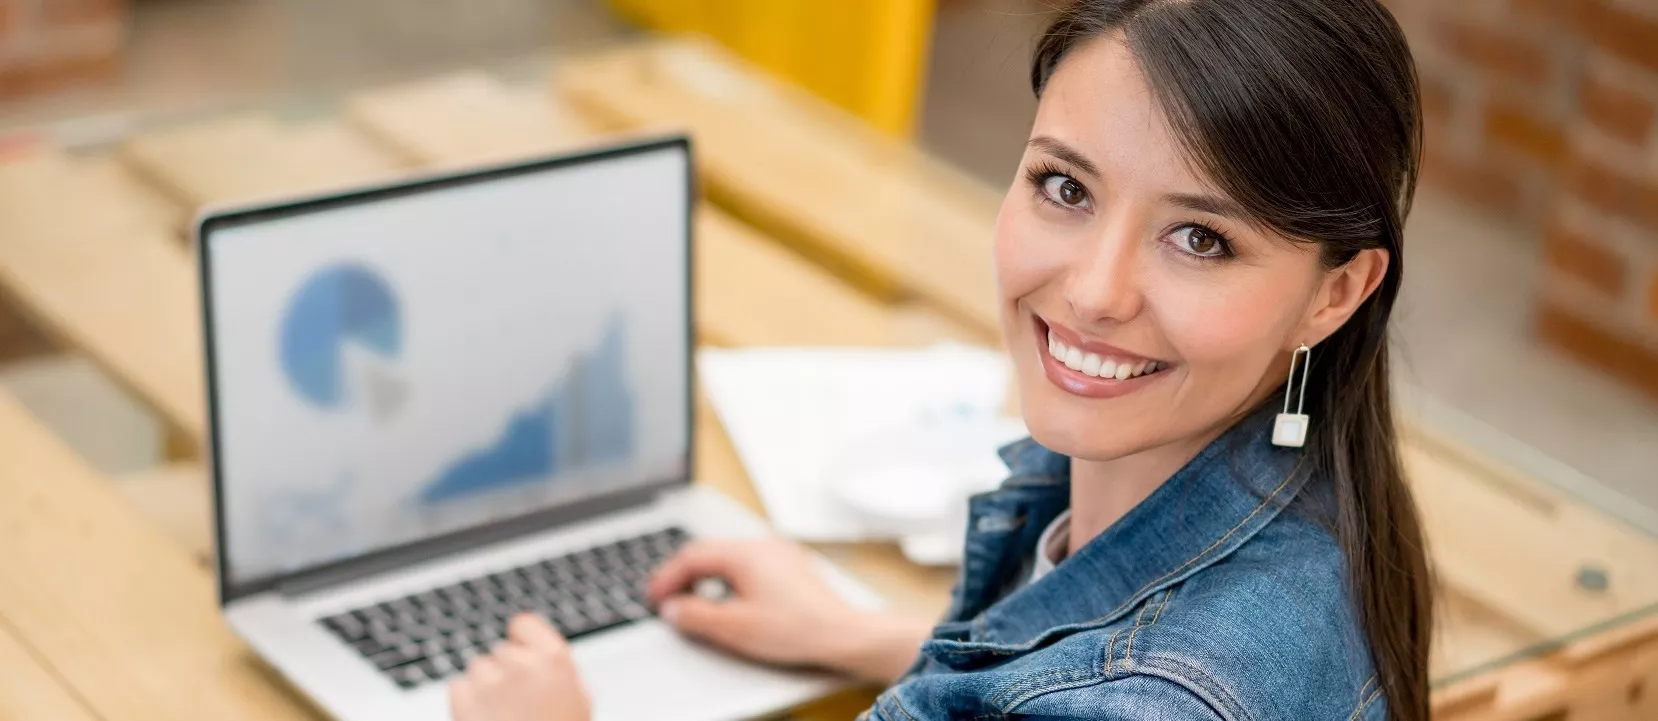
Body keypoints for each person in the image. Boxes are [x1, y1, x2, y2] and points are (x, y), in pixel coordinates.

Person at [448, 0, 1433, 718]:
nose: (1093, 291)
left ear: (1335, 292)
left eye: (1200, 240)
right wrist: (865, 637)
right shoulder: (1297, 498)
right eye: (1063, 187)